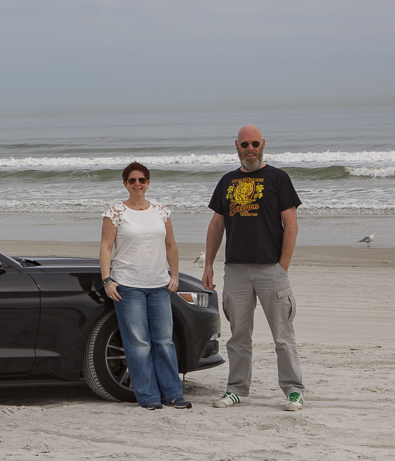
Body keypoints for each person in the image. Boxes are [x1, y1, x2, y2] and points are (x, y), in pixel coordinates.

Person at [202, 125, 305, 411]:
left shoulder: (278, 178)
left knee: (283, 336)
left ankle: (293, 391)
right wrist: (208, 264)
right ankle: (236, 390)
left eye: (255, 143)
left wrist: (282, 266)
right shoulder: (227, 181)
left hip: (271, 269)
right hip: (235, 270)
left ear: (263, 145)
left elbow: (291, 225)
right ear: (237, 145)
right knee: (238, 337)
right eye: (245, 144)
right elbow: (216, 224)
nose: (250, 149)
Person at [100, 162, 192, 411]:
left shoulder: (161, 211)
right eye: (132, 181)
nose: (137, 185)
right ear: (125, 184)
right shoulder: (115, 212)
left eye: (142, 180)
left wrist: (174, 276)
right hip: (128, 286)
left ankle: (173, 394)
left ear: (148, 183)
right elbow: (106, 247)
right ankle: (147, 396)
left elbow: (171, 245)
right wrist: (107, 279)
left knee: (164, 341)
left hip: (159, 285)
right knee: (138, 343)